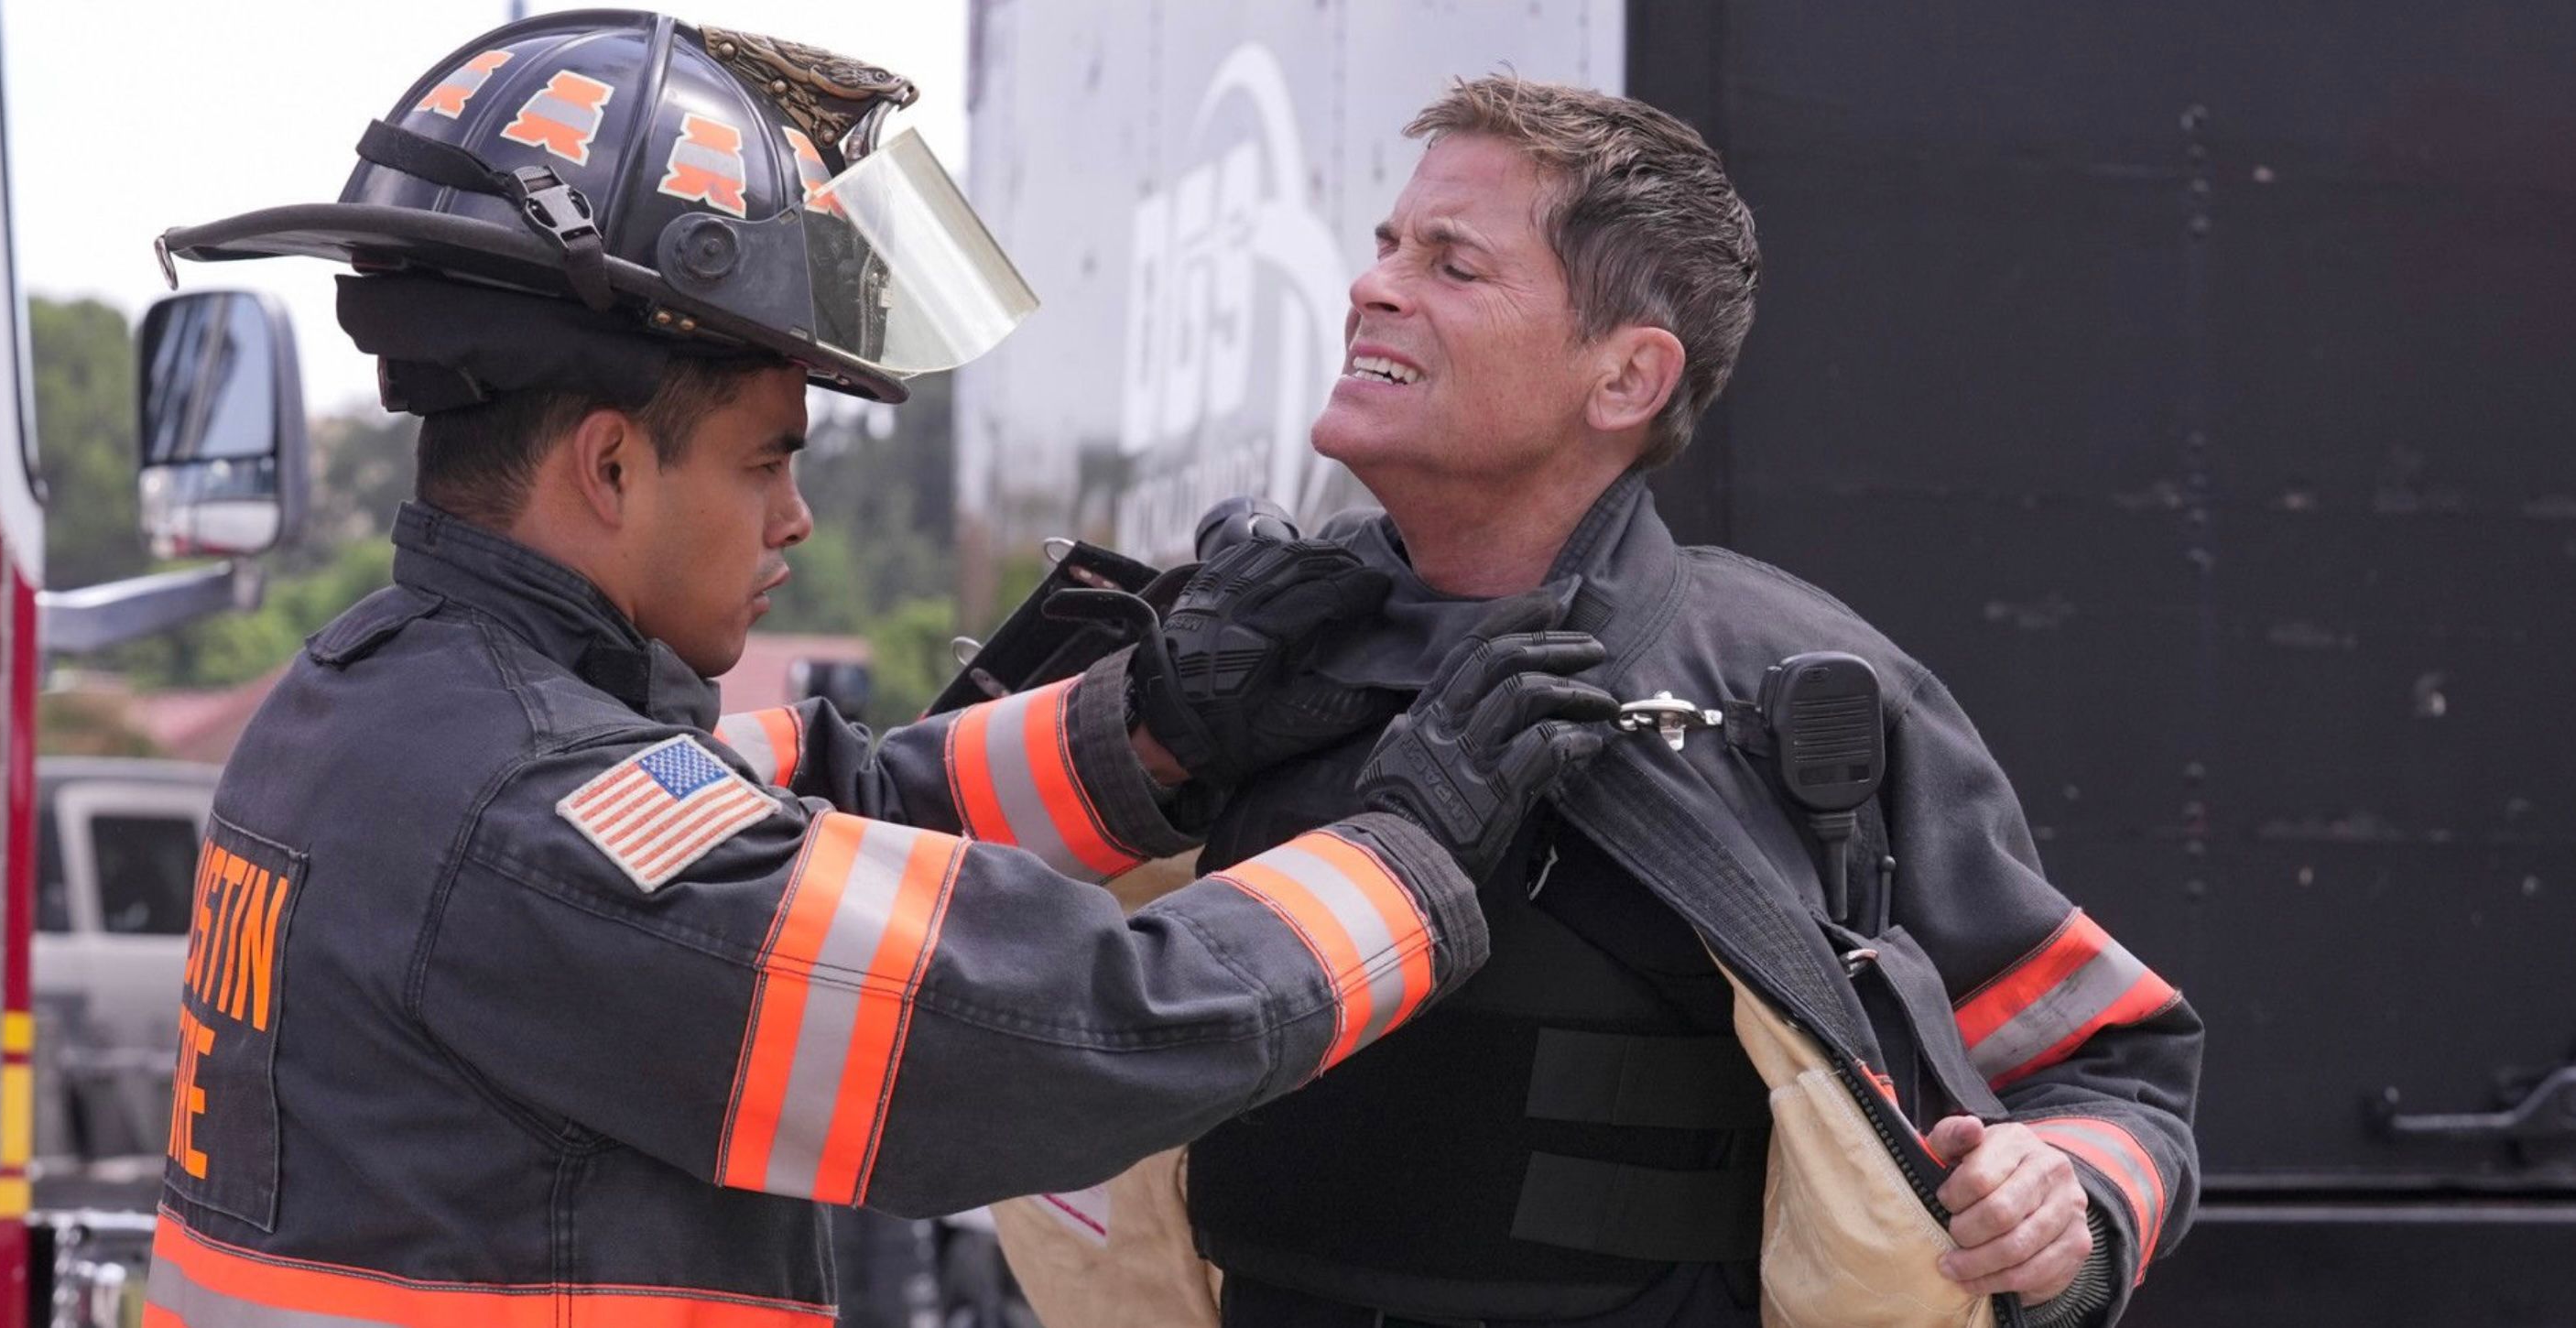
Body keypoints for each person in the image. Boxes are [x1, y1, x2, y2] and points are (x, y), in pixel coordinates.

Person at [139, 16, 1615, 1326]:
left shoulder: (384, 700)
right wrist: (1410, 855)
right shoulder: (537, 816)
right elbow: (1052, 1032)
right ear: (607, 463)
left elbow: (827, 808)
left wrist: (1151, 733)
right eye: (767, 459)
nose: (795, 517)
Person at [1175, 77, 2204, 1328]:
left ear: (1626, 378)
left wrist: (2067, 1199)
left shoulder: (1795, 689)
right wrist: (1144, 731)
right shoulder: (1231, 665)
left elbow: (2117, 1064)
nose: (1371, 286)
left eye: (1453, 263)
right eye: (1389, 245)